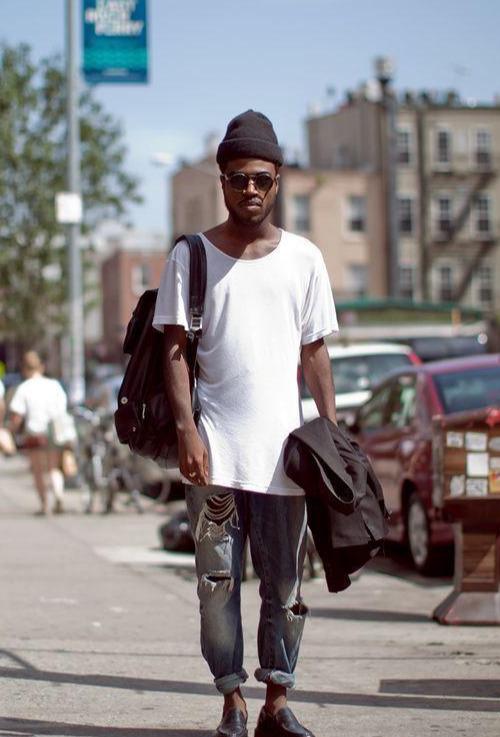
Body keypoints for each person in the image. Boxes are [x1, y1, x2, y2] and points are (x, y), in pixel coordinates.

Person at [153, 110, 338, 737]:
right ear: (223, 181)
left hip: (286, 459)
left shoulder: (305, 258)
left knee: (285, 585)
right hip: (214, 456)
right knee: (216, 584)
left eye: (261, 178)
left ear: (278, 179)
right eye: (238, 178)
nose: (250, 189)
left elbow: (315, 351)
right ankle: (231, 698)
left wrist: (332, 437)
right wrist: (187, 431)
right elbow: (174, 349)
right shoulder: (192, 256)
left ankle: (277, 701)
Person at [8, 351, 67, 515]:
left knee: (38, 471)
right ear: (41, 367)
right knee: (54, 467)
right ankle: (58, 494)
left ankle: (44, 505)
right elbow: (62, 408)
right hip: (55, 431)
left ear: (24, 369)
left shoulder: (24, 388)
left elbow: (17, 416)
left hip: (35, 433)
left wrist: (10, 432)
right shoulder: (54, 385)